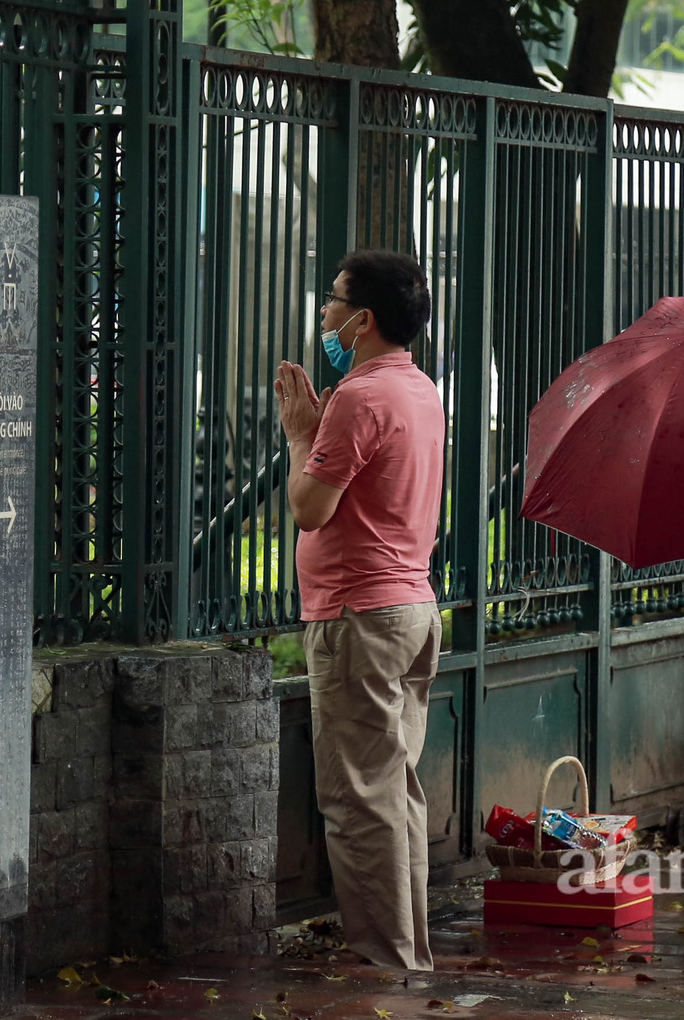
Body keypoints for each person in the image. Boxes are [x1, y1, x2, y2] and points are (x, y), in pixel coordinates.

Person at [273, 250, 443, 972]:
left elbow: (310, 508)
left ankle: (387, 964)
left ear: (364, 319)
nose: (324, 312)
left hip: (359, 617)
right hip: (411, 609)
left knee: (358, 802)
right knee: (394, 791)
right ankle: (409, 954)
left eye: (334, 299)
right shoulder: (421, 389)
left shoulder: (360, 395)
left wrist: (300, 434)